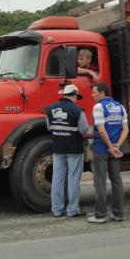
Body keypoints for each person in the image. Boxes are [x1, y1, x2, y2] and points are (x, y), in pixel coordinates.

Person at [45, 84, 89, 218]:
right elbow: (84, 130)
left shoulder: (50, 109)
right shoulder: (78, 110)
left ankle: (57, 210)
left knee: (57, 178)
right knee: (73, 179)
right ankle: (72, 210)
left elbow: (49, 127)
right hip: (74, 149)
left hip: (58, 148)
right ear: (74, 95)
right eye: (77, 97)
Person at [88, 82, 128, 224]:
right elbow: (125, 129)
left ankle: (100, 215)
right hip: (116, 149)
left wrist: (110, 146)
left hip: (101, 148)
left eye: (94, 92)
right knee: (116, 181)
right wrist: (117, 145)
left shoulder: (98, 107)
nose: (92, 95)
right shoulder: (120, 107)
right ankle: (118, 214)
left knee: (100, 182)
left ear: (102, 93)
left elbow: (101, 129)